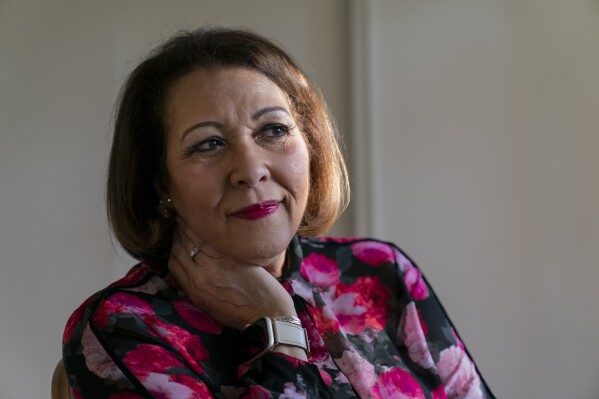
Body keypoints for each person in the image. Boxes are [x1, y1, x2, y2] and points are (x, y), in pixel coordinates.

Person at [62, 27, 495, 399]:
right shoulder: (124, 329)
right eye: (208, 144)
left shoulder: (380, 272)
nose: (250, 170)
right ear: (160, 183)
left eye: (273, 130)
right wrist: (279, 331)